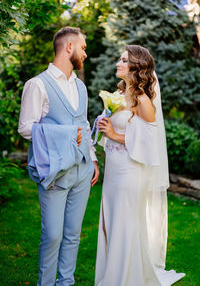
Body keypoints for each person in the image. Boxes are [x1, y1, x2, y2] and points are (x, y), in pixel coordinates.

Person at [95, 45, 185, 286]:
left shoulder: (143, 99)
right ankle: (113, 274)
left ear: (136, 66)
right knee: (111, 222)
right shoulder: (120, 95)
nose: (118, 63)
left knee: (124, 223)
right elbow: (120, 128)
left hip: (131, 172)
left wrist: (114, 135)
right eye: (120, 59)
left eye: (123, 60)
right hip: (114, 171)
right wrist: (104, 126)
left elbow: (150, 141)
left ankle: (122, 278)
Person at [18, 26, 99, 286]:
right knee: (52, 235)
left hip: (82, 171)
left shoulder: (81, 87)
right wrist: (64, 134)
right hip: (54, 172)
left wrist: (93, 158)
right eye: (83, 47)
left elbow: (84, 124)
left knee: (73, 234)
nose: (86, 53)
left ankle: (66, 282)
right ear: (68, 48)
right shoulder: (37, 85)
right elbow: (25, 128)